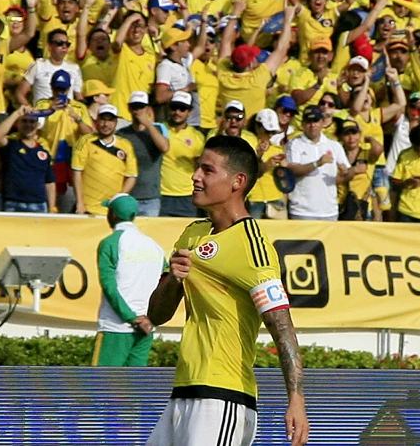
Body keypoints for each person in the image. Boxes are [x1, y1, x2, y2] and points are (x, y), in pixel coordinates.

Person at [146, 135, 309, 446]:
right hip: (183, 391)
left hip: (223, 399)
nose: (195, 177)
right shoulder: (192, 233)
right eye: (197, 168)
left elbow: (282, 326)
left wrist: (296, 400)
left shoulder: (252, 245)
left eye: (207, 170)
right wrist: (174, 280)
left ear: (238, 182)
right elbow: (156, 315)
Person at [94, 193, 165, 368]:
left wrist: (132, 318)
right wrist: (148, 319)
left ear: (113, 215)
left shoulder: (110, 243)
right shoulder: (154, 245)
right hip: (146, 328)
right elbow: (165, 284)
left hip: (115, 327)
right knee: (135, 389)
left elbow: (109, 287)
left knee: (100, 387)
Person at [284, 106, 349, 220]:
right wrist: (317, 163)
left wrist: (345, 173)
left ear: (323, 123)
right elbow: (292, 170)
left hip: (329, 211)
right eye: (308, 121)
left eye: (316, 121)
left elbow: (346, 175)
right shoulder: (294, 144)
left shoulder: (334, 145)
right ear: (303, 124)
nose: (312, 125)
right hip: (302, 211)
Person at [72, 104, 138, 215]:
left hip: (113, 211)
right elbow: (76, 172)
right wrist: (80, 202)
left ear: (116, 122)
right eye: (103, 120)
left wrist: (118, 200)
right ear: (97, 120)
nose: (106, 124)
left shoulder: (126, 145)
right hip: (88, 208)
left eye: (110, 120)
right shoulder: (85, 141)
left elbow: (131, 176)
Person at [0, 106, 57, 214]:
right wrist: (17, 113)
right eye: (24, 121)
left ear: (38, 125)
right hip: (13, 204)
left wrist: (52, 207)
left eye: (32, 122)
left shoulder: (43, 152)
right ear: (18, 124)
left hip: (38, 205)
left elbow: (49, 182)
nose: (28, 125)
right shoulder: (11, 146)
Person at [118, 91, 169, 218]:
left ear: (147, 108)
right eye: (135, 106)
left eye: (141, 106)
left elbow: (164, 147)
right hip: (128, 195)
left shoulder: (158, 129)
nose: (138, 111)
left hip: (150, 197)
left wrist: (147, 124)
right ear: (129, 108)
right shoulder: (121, 134)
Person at [159, 91, 205, 218]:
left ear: (189, 112)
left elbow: (201, 167)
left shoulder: (197, 136)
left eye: (182, 109)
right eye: (174, 107)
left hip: (187, 195)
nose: (177, 112)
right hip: (163, 194)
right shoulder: (159, 129)